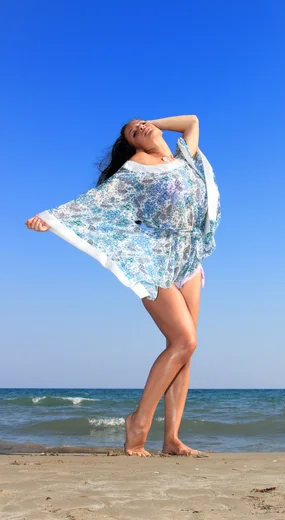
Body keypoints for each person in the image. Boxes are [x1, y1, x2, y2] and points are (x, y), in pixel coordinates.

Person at [25, 115, 221, 457]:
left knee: (185, 354)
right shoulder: (134, 169)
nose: (141, 127)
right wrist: (52, 219)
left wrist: (148, 123)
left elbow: (191, 121)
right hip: (155, 261)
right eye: (133, 131)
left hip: (189, 262)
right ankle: (138, 423)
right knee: (184, 340)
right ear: (131, 144)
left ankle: (172, 439)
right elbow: (95, 202)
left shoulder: (183, 157)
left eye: (142, 123)